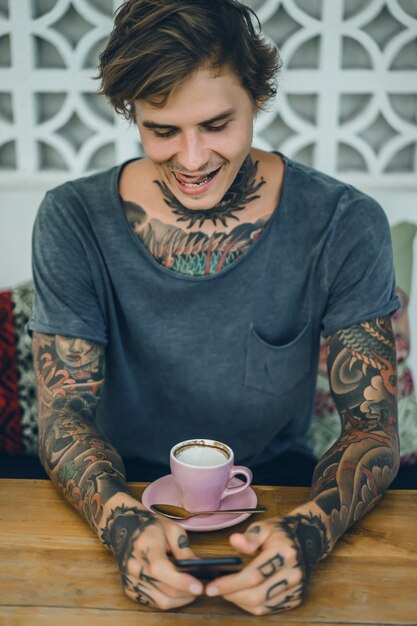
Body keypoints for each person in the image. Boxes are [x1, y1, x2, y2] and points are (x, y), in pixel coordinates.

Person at [29, 0, 400, 616]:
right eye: (163, 130)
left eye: (216, 125)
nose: (193, 160)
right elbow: (63, 416)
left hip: (277, 485)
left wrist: (308, 534)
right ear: (132, 114)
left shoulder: (344, 222)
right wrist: (123, 526)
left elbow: (371, 430)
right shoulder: (72, 219)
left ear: (256, 97)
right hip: (116, 487)